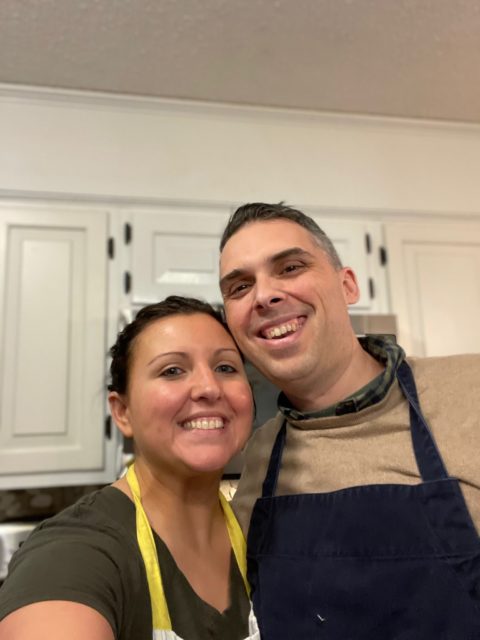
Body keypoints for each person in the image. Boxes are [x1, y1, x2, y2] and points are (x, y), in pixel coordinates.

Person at [219, 202, 480, 639]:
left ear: (348, 285)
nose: (264, 295)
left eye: (289, 267)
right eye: (240, 286)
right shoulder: (259, 456)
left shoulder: (469, 390)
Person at [0, 296, 260, 640]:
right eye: (172, 370)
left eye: (225, 368)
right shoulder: (77, 550)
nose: (209, 388)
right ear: (122, 411)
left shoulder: (259, 535)